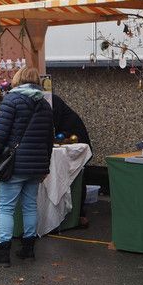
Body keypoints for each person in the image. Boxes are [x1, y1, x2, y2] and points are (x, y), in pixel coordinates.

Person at [0, 67, 54, 267]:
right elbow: (49, 139)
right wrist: (45, 166)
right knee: (30, 206)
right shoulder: (45, 104)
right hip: (36, 166)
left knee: (5, 207)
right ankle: (28, 249)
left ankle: (3, 253)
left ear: (18, 79)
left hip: (15, 165)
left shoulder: (11, 101)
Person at [51, 93, 92, 221]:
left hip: (73, 140)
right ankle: (77, 213)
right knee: (76, 175)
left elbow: (53, 123)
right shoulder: (52, 101)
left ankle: (78, 213)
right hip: (69, 138)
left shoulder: (52, 102)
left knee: (77, 175)